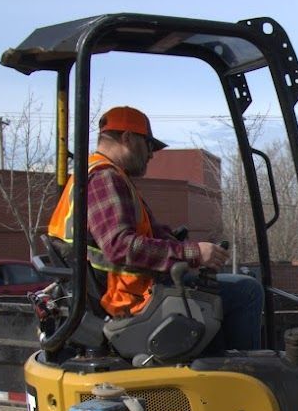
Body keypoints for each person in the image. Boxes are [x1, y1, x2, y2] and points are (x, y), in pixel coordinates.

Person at [46, 106, 263, 352]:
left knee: (220, 296)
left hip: (130, 292)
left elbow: (145, 234)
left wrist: (182, 246)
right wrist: (193, 253)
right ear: (128, 138)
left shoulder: (103, 177)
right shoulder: (105, 179)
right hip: (129, 301)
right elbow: (120, 246)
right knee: (247, 291)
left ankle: (222, 365)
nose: (151, 155)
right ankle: (245, 373)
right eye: (149, 145)